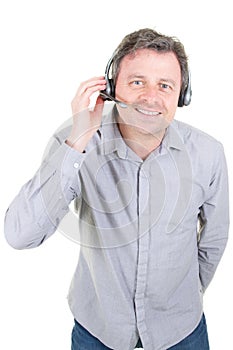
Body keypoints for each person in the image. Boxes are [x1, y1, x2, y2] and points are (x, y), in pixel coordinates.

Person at [4, 28, 229, 350]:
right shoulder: (76, 141)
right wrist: (78, 140)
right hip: (98, 327)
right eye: (137, 82)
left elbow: (214, 237)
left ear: (182, 95)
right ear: (110, 87)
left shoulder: (208, 153)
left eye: (165, 85)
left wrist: (186, 294)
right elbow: (20, 235)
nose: (151, 97)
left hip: (181, 329)